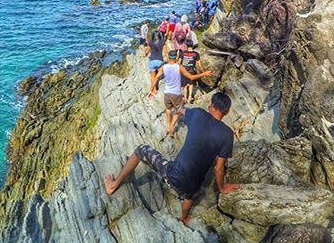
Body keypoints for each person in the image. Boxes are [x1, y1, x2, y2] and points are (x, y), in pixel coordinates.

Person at [103, 92, 240, 224]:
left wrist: (176, 109)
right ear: (226, 112)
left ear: (211, 105)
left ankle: (113, 186)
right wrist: (221, 188)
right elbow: (219, 168)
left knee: (141, 150)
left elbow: (183, 110)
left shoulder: (198, 114)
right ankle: (184, 218)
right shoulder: (227, 135)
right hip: (192, 186)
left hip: (173, 174)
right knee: (188, 196)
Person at [149, 49, 212, 137]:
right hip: (176, 93)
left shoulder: (164, 67)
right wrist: (204, 73)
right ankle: (171, 128)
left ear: (168, 57)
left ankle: (168, 126)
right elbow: (191, 77)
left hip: (167, 93)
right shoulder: (179, 67)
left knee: (168, 109)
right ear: (176, 57)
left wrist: (151, 90)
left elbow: (155, 78)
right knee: (178, 111)